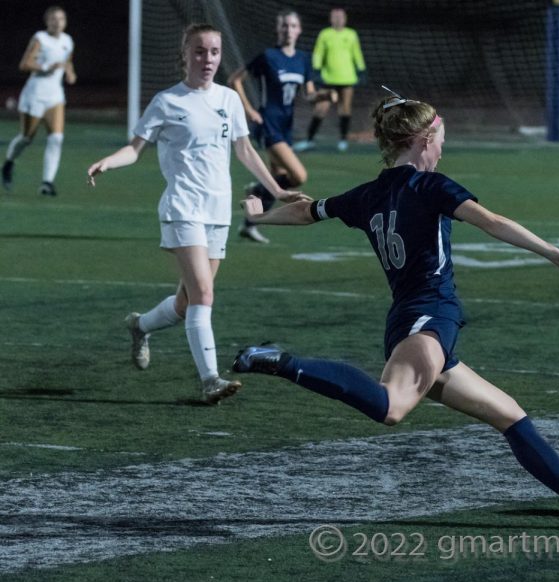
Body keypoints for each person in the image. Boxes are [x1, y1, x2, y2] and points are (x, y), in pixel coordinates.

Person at [234, 91, 559, 528]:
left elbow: (306, 212)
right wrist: (553, 252)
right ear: (422, 139)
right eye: (440, 140)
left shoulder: (367, 194)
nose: (442, 149)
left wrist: (259, 218)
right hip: (429, 315)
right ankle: (282, 361)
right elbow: (492, 221)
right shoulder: (430, 185)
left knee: (509, 415)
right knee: (392, 407)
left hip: (413, 320)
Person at [86, 24, 302, 404]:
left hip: (218, 210)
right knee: (204, 292)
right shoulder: (167, 101)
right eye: (200, 51)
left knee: (188, 303)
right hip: (183, 208)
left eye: (215, 52)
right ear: (184, 55)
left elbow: (246, 152)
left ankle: (140, 326)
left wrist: (279, 190)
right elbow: (135, 149)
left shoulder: (229, 99)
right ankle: (210, 381)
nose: (208, 59)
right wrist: (109, 162)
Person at [228, 9, 337, 244]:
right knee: (298, 175)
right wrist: (249, 110)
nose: (288, 30)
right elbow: (234, 79)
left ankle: (250, 221)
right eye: (284, 26)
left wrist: (324, 95)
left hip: (285, 127)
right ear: (278, 30)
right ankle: (256, 191)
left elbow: (308, 95)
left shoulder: (302, 60)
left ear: (299, 30)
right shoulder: (267, 56)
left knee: (278, 179)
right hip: (267, 124)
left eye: (293, 26)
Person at [2, 6, 76, 196]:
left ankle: (47, 183)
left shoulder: (68, 41)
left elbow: (68, 62)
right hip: (35, 94)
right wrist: (45, 67)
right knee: (27, 138)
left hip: (55, 96)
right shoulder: (40, 39)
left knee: (56, 139)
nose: (57, 22)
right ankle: (9, 163)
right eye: (53, 19)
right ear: (47, 22)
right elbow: (24, 64)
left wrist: (70, 73)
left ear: (65, 22)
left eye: (61, 19)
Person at [293, 7, 366, 153]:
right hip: (329, 79)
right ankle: (309, 140)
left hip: (347, 79)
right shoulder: (325, 34)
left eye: (341, 16)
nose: (338, 19)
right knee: (321, 109)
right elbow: (318, 53)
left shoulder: (351, 34)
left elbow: (356, 52)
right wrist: (317, 69)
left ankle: (343, 140)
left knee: (345, 110)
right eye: (335, 16)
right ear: (331, 19)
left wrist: (361, 69)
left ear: (345, 18)